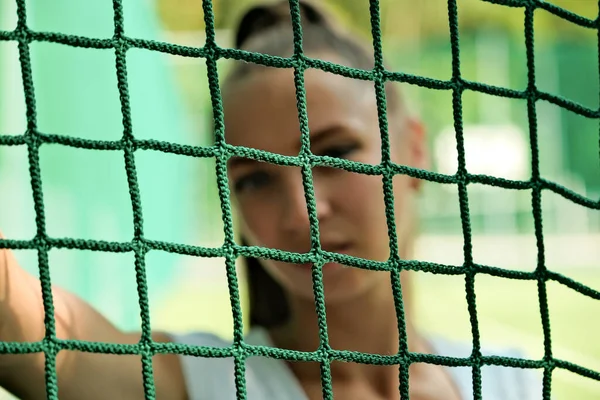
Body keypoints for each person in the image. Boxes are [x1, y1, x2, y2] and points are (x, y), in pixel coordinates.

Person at [0, 1, 542, 399]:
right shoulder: (201, 385)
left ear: (414, 151)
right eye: (255, 180)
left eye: (333, 154)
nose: (304, 213)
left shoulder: (506, 382)